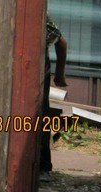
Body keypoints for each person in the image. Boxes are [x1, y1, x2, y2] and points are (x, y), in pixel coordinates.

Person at [39, 18, 68, 183]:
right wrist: (59, 75)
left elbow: (61, 42)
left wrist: (59, 74)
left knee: (40, 116)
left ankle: (43, 166)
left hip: (38, 69)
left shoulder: (40, 16)